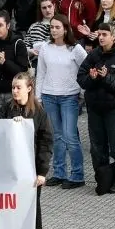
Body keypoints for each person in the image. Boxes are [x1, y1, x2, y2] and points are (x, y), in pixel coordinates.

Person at [0, 73, 53, 229]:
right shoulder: (5, 109)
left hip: (30, 167)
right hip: (10, 167)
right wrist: (9, 126)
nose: (15, 91)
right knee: (7, 204)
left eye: (18, 87)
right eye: (13, 87)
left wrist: (42, 172)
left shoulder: (39, 112)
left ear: (29, 88)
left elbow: (45, 142)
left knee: (30, 205)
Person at [78, 22, 115, 195]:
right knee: (97, 148)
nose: (101, 37)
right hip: (95, 108)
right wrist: (92, 77)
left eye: (104, 34)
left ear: (113, 37)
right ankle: (103, 180)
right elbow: (81, 78)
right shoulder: (94, 55)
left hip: (114, 108)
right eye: (99, 34)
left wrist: (107, 77)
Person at [35, 15, 88, 189]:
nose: (54, 30)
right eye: (52, 27)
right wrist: (38, 97)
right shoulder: (45, 47)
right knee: (56, 136)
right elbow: (41, 73)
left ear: (65, 29)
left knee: (70, 136)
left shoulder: (75, 49)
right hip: (49, 95)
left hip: (69, 96)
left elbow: (86, 68)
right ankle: (59, 172)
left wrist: (82, 92)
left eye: (57, 27)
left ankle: (77, 175)